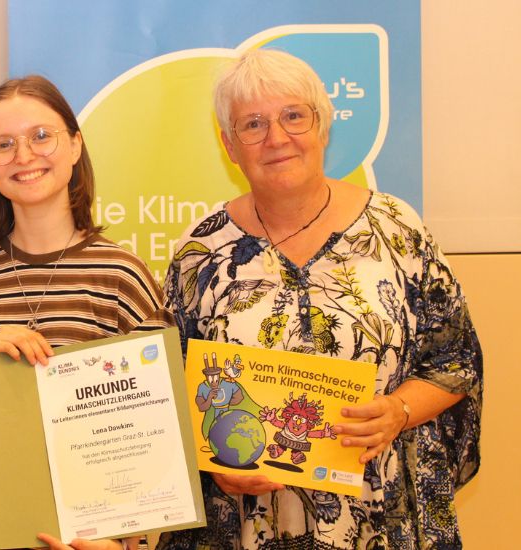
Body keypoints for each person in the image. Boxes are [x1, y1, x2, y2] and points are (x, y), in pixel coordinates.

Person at [158, 49, 482, 549]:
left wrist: (397, 410)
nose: (277, 138)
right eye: (253, 124)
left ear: (322, 125)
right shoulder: (199, 252)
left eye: (293, 116)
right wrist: (209, 462)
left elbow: (456, 360)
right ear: (229, 145)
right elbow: (171, 393)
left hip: (383, 513)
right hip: (250, 520)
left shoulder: (398, 230)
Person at [0, 75, 173, 549]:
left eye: (41, 136)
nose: (24, 156)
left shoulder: (122, 275)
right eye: (3, 144)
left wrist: (129, 544)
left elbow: (159, 435)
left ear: (74, 145)